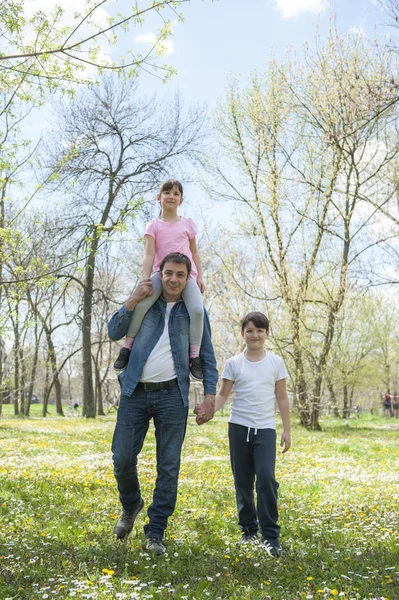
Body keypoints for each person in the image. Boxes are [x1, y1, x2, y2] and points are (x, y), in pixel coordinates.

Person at [108, 252, 217, 555]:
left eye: (180, 275)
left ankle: (155, 531)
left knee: (168, 467)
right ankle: (131, 504)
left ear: (187, 278)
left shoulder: (194, 312)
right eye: (169, 273)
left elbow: (207, 356)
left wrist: (210, 397)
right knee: (122, 458)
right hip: (135, 393)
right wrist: (131, 299)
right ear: (161, 273)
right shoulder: (145, 303)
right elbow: (113, 331)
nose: (173, 280)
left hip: (173, 396)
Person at [203, 311, 291, 557]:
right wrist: (209, 410)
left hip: (265, 430)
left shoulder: (275, 363)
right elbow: (222, 395)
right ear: (243, 334)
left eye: (259, 331)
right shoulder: (234, 363)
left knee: (266, 479)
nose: (255, 335)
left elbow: (282, 398)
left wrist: (286, 429)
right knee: (242, 482)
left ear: (267, 334)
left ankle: (270, 536)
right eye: (250, 331)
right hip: (239, 428)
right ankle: (249, 531)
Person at [113, 179, 205, 380]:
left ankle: (195, 356)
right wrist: (145, 280)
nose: (171, 196)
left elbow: (195, 253)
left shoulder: (187, 224)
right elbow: (148, 254)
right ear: (159, 198)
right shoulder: (153, 225)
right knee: (142, 305)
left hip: (185, 276)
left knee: (198, 310)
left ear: (181, 200)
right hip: (159, 274)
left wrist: (199, 276)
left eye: (176, 193)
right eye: (167, 193)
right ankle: (127, 347)